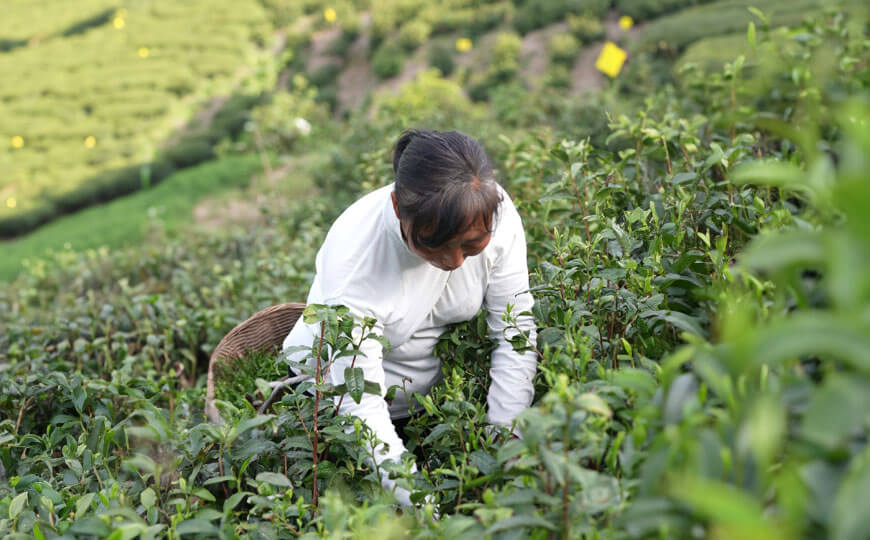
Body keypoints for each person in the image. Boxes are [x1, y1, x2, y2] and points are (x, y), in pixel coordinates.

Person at [281, 128, 537, 506]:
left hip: (424, 405)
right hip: (334, 406)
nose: (453, 263)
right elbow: (359, 406)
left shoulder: (497, 215)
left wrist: (505, 443)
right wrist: (427, 515)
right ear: (399, 208)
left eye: (471, 246)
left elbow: (514, 331)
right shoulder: (355, 261)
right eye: (434, 245)